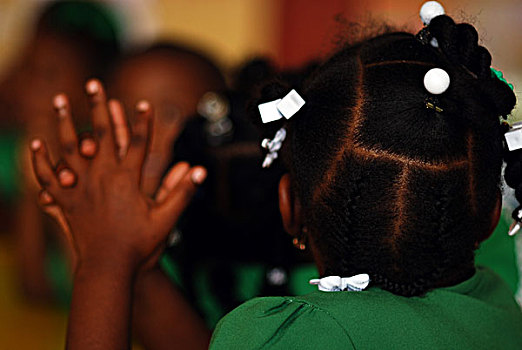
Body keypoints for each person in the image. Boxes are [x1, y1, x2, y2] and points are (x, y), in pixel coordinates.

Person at [29, 5, 522, 350]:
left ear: (290, 208)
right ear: (490, 214)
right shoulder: (499, 307)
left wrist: (105, 264)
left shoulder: (290, 335)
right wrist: (141, 266)